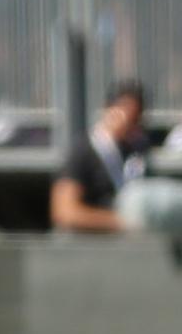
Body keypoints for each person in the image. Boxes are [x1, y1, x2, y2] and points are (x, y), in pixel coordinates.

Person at [51, 81, 149, 234]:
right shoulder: (83, 150)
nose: (129, 125)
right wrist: (120, 221)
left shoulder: (133, 151)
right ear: (108, 110)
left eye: (135, 120)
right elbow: (65, 212)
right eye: (125, 116)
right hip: (88, 247)